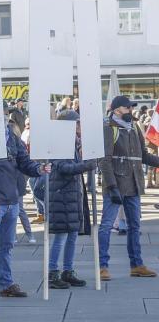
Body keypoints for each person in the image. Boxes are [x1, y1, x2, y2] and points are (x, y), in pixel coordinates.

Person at [0, 103, 51, 302]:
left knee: (7, 245)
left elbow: (24, 162)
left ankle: (6, 283)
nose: (3, 119)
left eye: (5, 115)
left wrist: (38, 169)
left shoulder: (11, 136)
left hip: (11, 198)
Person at [98, 95, 159, 280]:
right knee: (106, 226)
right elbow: (105, 161)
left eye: (131, 108)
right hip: (116, 186)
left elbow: (145, 156)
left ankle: (137, 265)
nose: (130, 111)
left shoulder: (134, 128)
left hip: (134, 184)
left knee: (134, 226)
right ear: (116, 110)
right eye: (127, 108)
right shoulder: (109, 129)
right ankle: (102, 266)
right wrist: (111, 186)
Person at [47, 111, 96, 289]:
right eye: (76, 123)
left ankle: (68, 270)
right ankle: (53, 273)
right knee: (61, 236)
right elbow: (63, 167)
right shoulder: (60, 143)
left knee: (72, 235)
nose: (79, 126)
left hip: (71, 194)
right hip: (62, 195)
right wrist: (85, 165)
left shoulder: (71, 142)